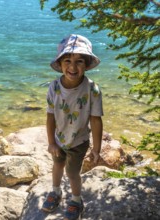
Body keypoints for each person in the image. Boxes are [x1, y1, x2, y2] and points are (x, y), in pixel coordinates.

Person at [41, 34, 103, 220]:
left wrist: (96, 149)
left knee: (72, 172)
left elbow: (96, 120)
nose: (73, 67)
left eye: (79, 61)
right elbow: (50, 116)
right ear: (60, 65)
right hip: (59, 138)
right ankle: (55, 191)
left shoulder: (93, 89)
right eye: (67, 60)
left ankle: (76, 200)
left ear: (87, 64)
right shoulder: (54, 87)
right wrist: (51, 142)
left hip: (79, 140)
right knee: (57, 165)